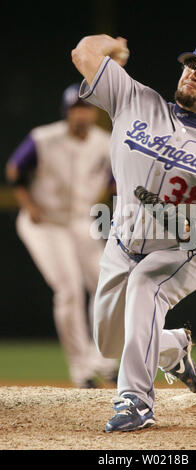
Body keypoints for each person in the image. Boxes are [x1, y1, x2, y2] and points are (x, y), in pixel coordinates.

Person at [71, 36, 196, 431]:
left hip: (182, 251)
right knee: (109, 344)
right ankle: (173, 348)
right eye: (190, 66)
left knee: (145, 287)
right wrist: (114, 45)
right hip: (123, 242)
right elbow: (83, 53)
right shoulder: (135, 100)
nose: (192, 75)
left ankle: (136, 402)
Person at [5, 84, 118, 388]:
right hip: (45, 224)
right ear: (67, 112)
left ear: (93, 112)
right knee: (68, 289)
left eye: (86, 108)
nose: (81, 113)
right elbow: (15, 170)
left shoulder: (104, 143)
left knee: (107, 282)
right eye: (75, 108)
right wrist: (28, 204)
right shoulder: (44, 138)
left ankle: (103, 361)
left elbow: (114, 181)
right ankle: (81, 370)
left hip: (80, 223)